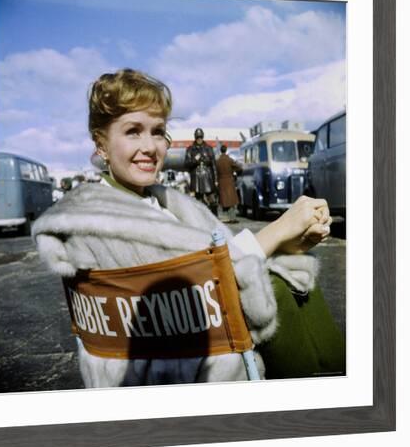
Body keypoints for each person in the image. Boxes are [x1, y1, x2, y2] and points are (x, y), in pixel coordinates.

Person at [32, 68, 337, 388]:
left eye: (158, 131)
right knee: (279, 288)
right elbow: (194, 293)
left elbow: (208, 265)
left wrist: (288, 243)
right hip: (186, 373)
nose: (150, 147)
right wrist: (276, 231)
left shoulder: (159, 201)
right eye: (133, 131)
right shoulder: (95, 226)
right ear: (102, 144)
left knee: (292, 272)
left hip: (199, 356)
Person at [184, 128, 219, 215]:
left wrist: (216, 179)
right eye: (197, 137)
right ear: (195, 138)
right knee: (198, 200)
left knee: (212, 199)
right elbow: (186, 164)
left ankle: (215, 218)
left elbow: (214, 165)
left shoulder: (209, 148)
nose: (199, 139)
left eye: (200, 137)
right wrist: (195, 160)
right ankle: (201, 218)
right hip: (196, 177)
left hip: (208, 176)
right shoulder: (190, 149)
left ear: (203, 137)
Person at [216, 144, 243, 223]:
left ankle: (226, 217)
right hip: (229, 181)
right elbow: (239, 168)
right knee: (231, 201)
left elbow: (216, 172)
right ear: (226, 150)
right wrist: (236, 172)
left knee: (224, 201)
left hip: (221, 181)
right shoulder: (229, 160)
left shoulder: (218, 161)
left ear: (221, 151)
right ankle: (232, 218)